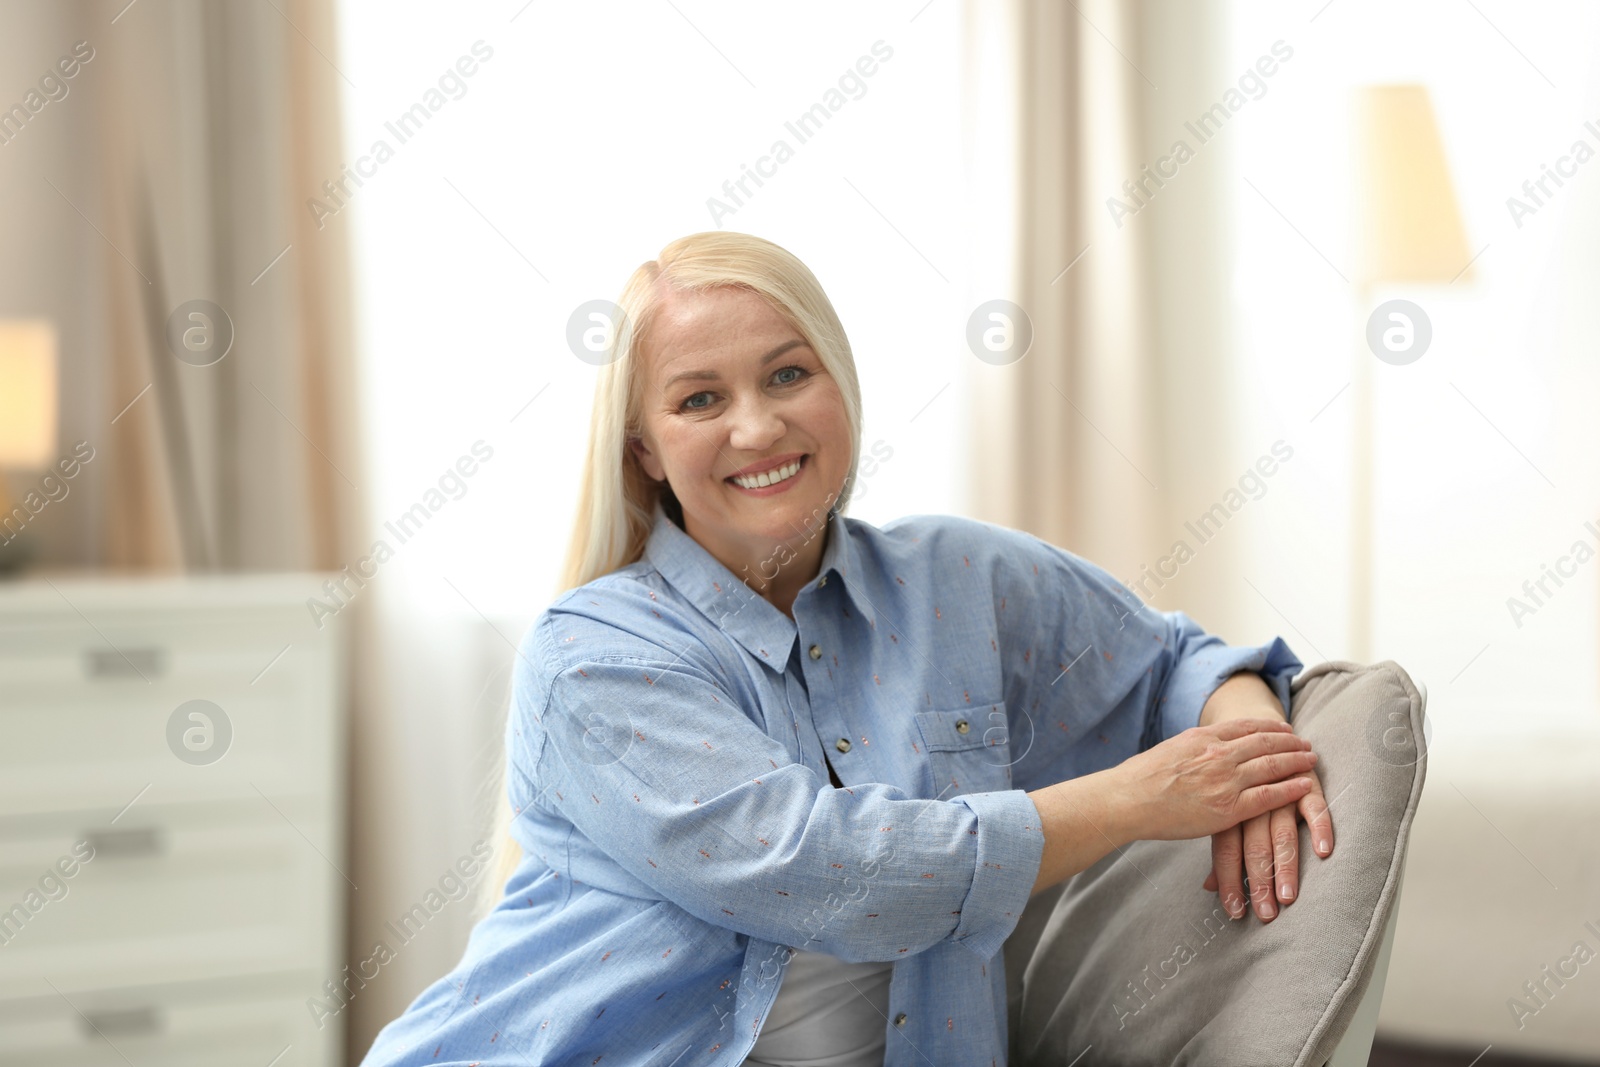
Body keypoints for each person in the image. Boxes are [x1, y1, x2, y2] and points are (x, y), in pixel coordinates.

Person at [357, 232, 1332, 1067]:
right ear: (644, 447)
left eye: (789, 373)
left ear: (841, 384)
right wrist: (1132, 799)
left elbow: (1171, 660)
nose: (757, 423)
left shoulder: (961, 577)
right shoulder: (593, 654)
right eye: (699, 399)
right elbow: (821, 873)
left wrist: (1253, 756)